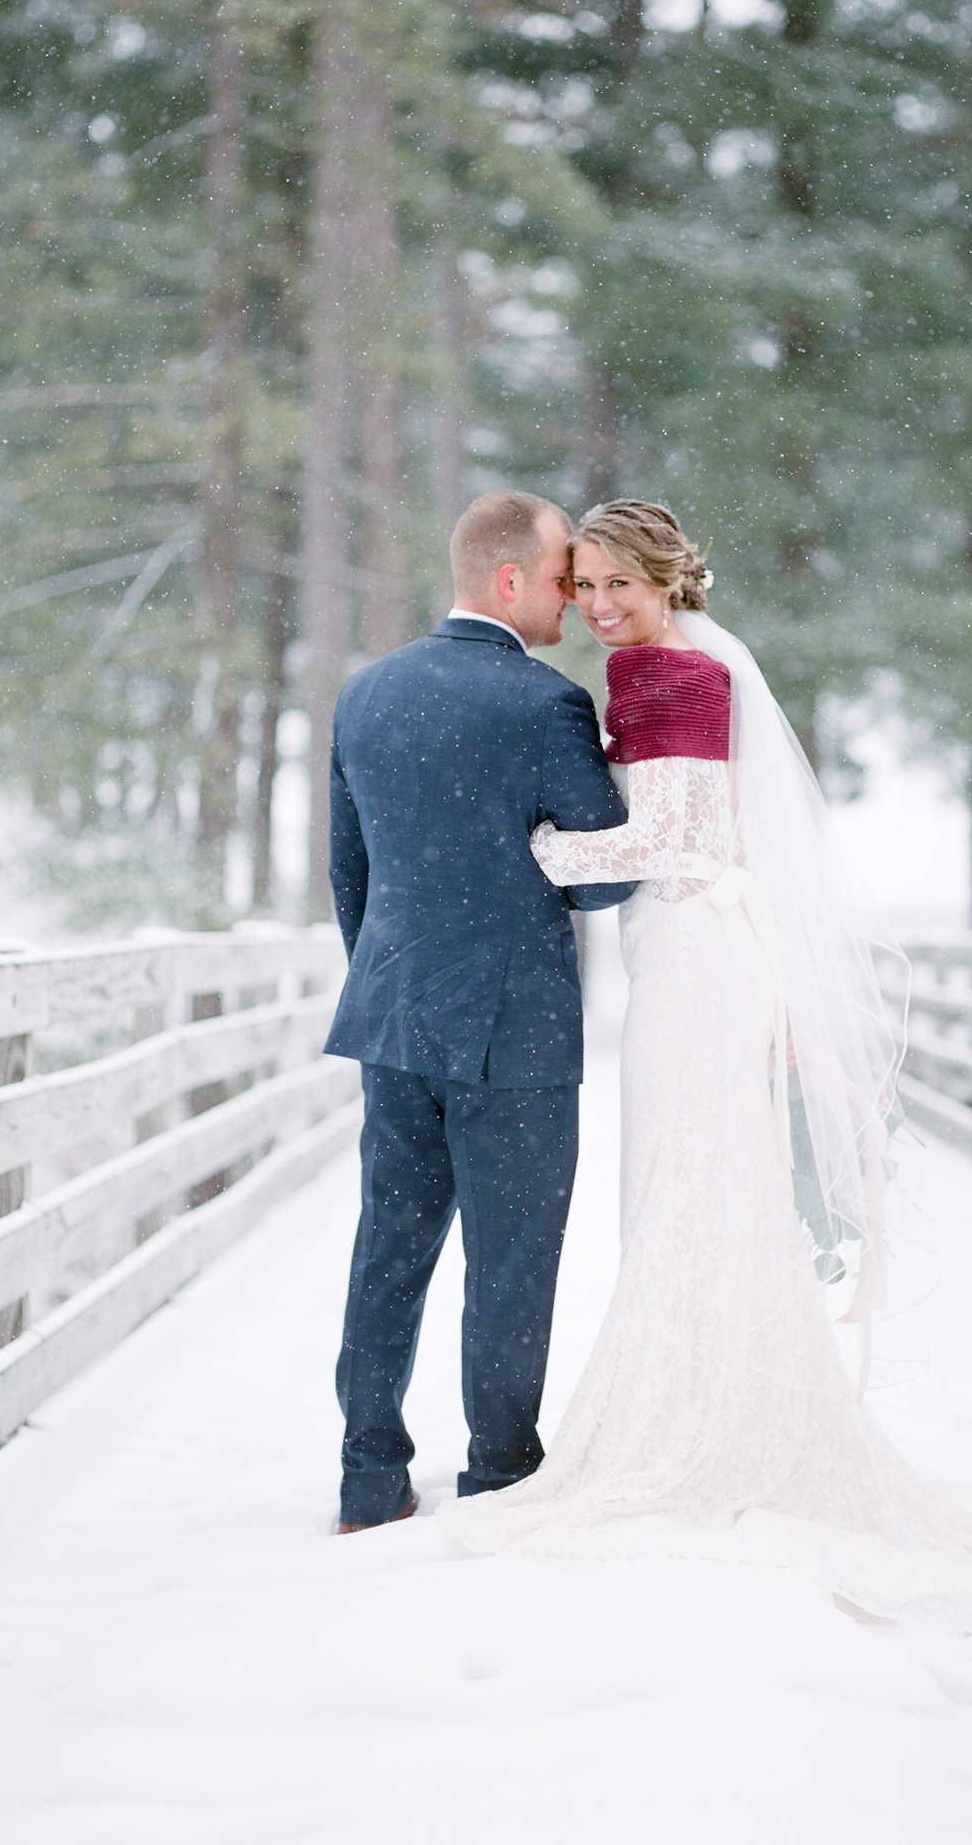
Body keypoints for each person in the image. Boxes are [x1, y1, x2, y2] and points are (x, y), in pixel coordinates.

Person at [447, 500, 945, 1586]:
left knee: (681, 1178)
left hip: (697, 955)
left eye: (619, 583)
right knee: (706, 1177)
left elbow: (671, 842)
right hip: (695, 950)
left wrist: (531, 850)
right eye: (581, 585)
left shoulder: (665, 676)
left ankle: (692, 1425)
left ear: (668, 580)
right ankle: (724, 1405)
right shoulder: (679, 667)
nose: (596, 605)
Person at [323, 490, 636, 1532]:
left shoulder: (365, 694)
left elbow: (350, 876)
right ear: (510, 580)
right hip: (517, 1034)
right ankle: (499, 1474)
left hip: (395, 1017)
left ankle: (368, 1477)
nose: (572, 600)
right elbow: (600, 880)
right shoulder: (543, 704)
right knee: (511, 1263)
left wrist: (401, 975)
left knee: (389, 1248)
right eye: (560, 578)